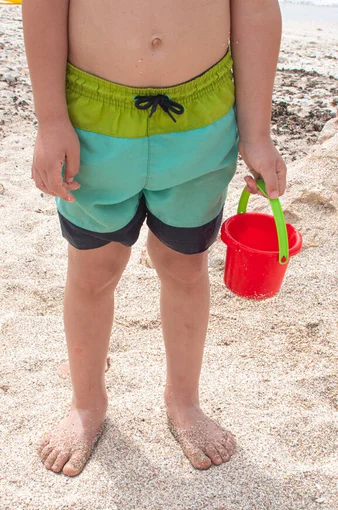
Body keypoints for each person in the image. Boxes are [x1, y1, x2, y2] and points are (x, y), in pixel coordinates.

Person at [22, 0, 286, 476]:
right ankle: (87, 404)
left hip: (200, 124)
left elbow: (257, 11)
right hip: (95, 122)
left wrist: (258, 133)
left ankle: (183, 400)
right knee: (93, 270)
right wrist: (51, 120)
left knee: (185, 266)